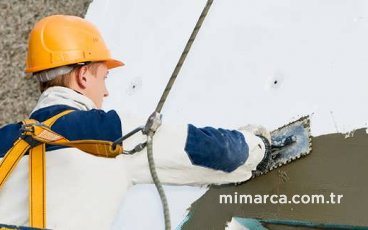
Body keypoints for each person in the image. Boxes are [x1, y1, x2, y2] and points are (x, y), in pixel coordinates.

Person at [0, 15, 273, 229]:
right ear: (83, 76)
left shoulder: (4, 142)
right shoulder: (108, 134)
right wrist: (257, 149)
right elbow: (202, 151)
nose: (105, 92)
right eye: (103, 78)